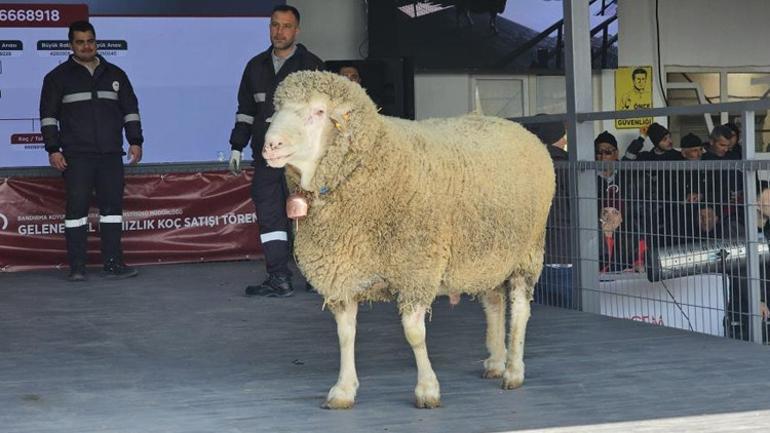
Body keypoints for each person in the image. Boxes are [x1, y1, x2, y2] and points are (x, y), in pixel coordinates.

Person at [228, 5, 324, 298]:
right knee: (270, 217)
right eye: (274, 25)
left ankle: (316, 276)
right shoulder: (255, 66)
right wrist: (236, 146)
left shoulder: (312, 66)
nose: (278, 31)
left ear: (297, 30)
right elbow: (246, 112)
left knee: (310, 216)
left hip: (301, 162)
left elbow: (324, 118)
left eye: (285, 26)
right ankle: (278, 277)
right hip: (267, 158)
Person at [40, 20, 143, 282]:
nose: (86, 46)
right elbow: (48, 117)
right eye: (80, 41)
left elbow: (130, 111)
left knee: (112, 211)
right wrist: (53, 149)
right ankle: (77, 267)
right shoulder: (57, 78)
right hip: (77, 156)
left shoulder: (116, 74)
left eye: (90, 40)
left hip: (110, 154)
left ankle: (113, 264)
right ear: (71, 45)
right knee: (76, 212)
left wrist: (135, 140)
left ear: (96, 42)